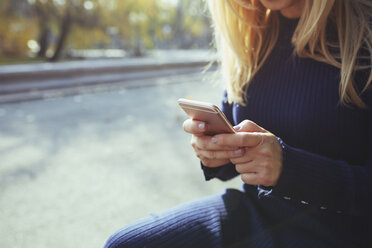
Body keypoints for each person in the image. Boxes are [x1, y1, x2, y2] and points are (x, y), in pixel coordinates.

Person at [104, 0, 372, 247]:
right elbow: (235, 135)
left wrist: (291, 169)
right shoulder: (253, 33)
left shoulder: (365, 32)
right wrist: (215, 150)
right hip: (255, 217)